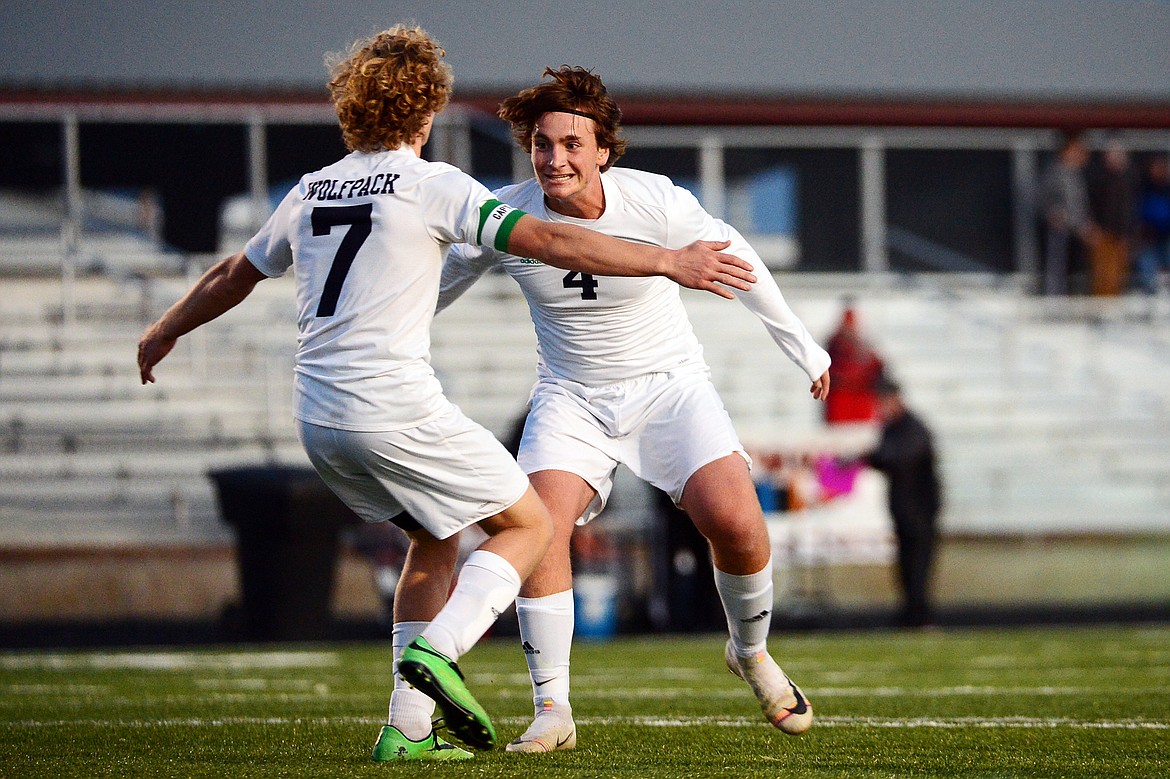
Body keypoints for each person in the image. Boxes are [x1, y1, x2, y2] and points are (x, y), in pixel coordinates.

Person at [135, 27, 758, 762]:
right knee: (528, 525)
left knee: (433, 538)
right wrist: (666, 259)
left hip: (316, 416)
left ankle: (406, 727)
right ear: (426, 111)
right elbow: (553, 242)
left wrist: (164, 330)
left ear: (351, 110)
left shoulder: (309, 190)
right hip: (390, 407)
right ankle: (439, 651)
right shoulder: (434, 185)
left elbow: (232, 274)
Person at [436, 66, 831, 751]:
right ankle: (552, 706)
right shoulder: (503, 212)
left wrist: (805, 347)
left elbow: (737, 259)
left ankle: (751, 650)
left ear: (603, 152)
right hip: (570, 397)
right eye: (541, 144)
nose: (554, 158)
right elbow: (440, 283)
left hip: (669, 385)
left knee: (736, 521)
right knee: (539, 530)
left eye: (570, 143)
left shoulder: (656, 201)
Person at [866, 377, 942, 628]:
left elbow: (897, 458)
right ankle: (911, 613)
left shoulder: (913, 428)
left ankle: (920, 614)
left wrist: (870, 457)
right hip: (903, 509)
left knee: (918, 563)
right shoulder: (894, 428)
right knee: (906, 564)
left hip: (920, 509)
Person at [1036, 131, 1096, 296]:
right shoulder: (1054, 173)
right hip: (1060, 232)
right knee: (1057, 269)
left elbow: (1079, 205)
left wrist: (1085, 224)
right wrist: (1053, 214)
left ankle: (1075, 297)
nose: (1082, 154)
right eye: (1077, 150)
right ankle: (1056, 301)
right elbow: (1042, 200)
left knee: (1079, 270)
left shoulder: (1077, 175)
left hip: (1078, 231)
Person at [1086, 137, 1139, 296]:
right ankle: (1103, 307)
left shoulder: (1130, 179)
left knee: (1119, 273)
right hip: (1102, 233)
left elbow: (1131, 209)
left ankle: (1116, 306)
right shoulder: (1098, 177)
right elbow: (1091, 203)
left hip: (1123, 234)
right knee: (1102, 274)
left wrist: (1129, 233)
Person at [822, 301, 885, 425]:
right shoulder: (835, 346)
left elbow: (878, 369)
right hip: (841, 402)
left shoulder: (865, 348)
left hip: (862, 402)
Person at [1134, 154, 1170, 295]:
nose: (1159, 170)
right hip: (1148, 237)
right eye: (1156, 167)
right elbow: (1138, 212)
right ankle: (1149, 294)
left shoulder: (1167, 189)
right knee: (1147, 267)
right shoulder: (1143, 187)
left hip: (1166, 236)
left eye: (1162, 167)